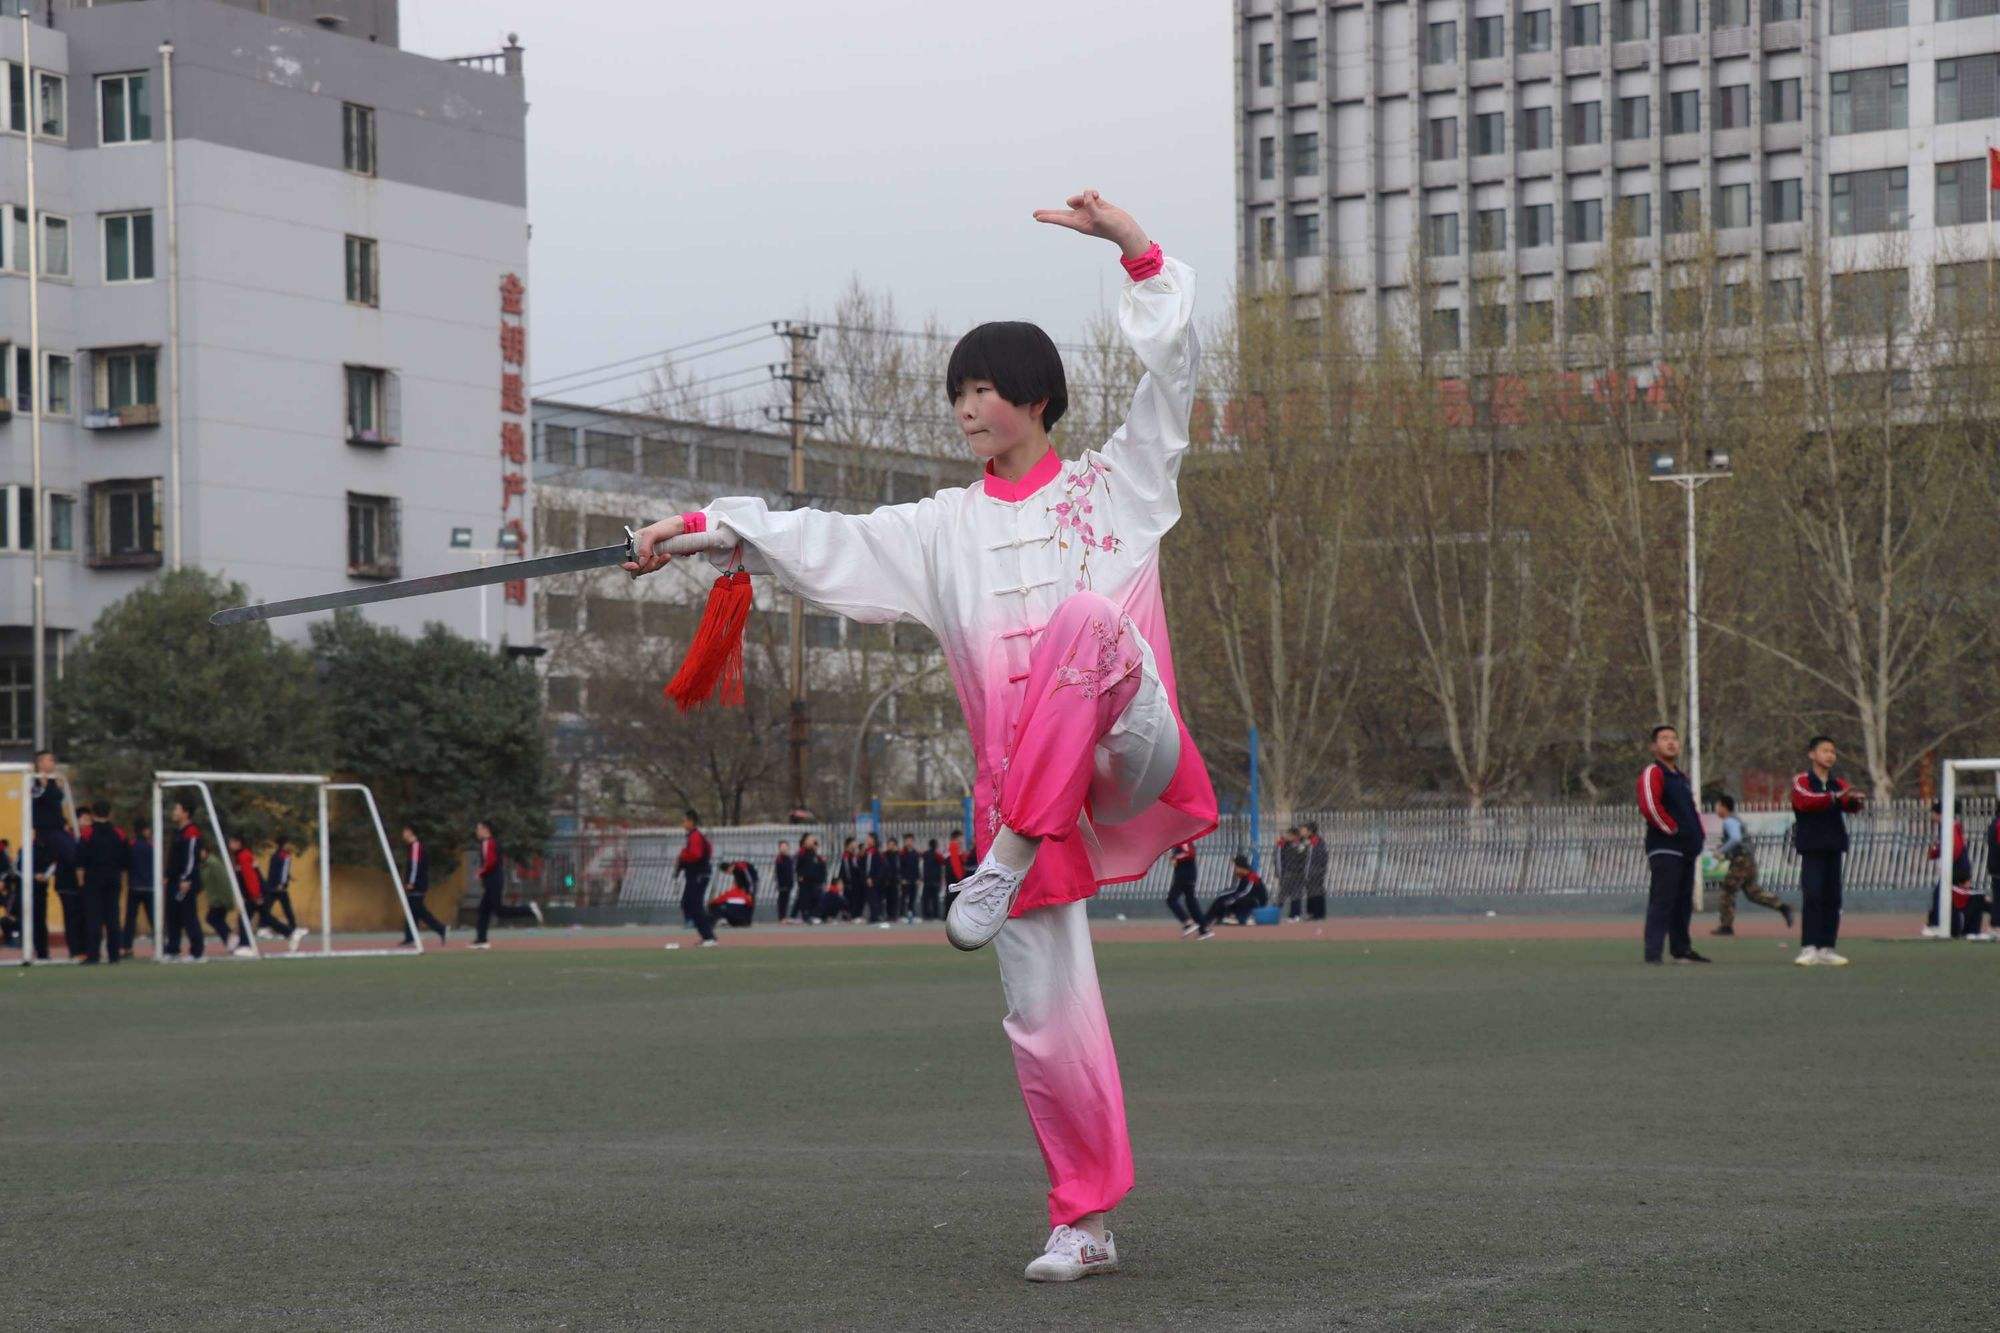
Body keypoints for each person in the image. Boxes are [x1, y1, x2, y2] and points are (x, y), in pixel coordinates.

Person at [626, 193, 1217, 1281]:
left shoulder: (1113, 487)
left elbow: (1170, 382)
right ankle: (1082, 1220)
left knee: (1090, 623)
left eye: (983, 388)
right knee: (1046, 1022)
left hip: (1131, 752)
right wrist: (702, 531)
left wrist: (1136, 252)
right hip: (1025, 823)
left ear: (1035, 397)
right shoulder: (941, 529)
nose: (965, 407)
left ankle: (1005, 853)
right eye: (956, 393)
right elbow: (824, 540)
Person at [1635, 725, 1710, 965]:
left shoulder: (1681, 777)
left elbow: (1690, 811)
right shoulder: (1653, 772)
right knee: (1663, 899)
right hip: (1665, 847)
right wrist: (1673, 830)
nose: (1671, 742)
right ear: (1653, 746)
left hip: (1686, 849)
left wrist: (1697, 837)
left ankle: (1681, 949)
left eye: (1674, 738)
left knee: (1683, 901)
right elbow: (1650, 805)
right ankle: (1653, 953)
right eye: (1664, 738)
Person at [1790, 736, 1866, 967]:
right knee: (1812, 895)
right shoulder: (1802, 780)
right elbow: (1805, 801)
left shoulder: (1839, 783)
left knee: (1833, 898)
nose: (1830, 755)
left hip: (1834, 846)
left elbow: (1850, 807)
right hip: (1812, 847)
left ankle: (1827, 947)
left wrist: (1854, 801)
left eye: (1833, 751)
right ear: (1812, 754)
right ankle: (1809, 947)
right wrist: (1834, 798)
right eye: (1825, 750)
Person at [1709, 795, 1791, 936]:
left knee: (1728, 891)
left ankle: (1726, 926)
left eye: (1717, 806)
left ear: (1723, 806)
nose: (1716, 809)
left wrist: (1720, 851)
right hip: (1748, 860)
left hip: (1741, 861)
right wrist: (1726, 854)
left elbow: (1736, 838)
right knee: (1753, 892)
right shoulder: (1735, 820)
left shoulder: (1729, 821)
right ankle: (1781, 906)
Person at [472, 820, 542, 950]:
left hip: (494, 880)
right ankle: (481, 940)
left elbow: (491, 862)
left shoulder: (489, 843)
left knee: (499, 911)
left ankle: (529, 910)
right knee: (483, 910)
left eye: (478, 828)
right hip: (491, 880)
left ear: (485, 829)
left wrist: (480, 873)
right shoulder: (487, 843)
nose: (477, 831)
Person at [76, 800, 128, 964]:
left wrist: (81, 881)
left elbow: (80, 860)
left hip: (93, 879)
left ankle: (93, 955)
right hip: (113, 878)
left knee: (94, 918)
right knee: (113, 917)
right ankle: (114, 955)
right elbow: (127, 859)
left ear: (93, 814)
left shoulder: (87, 833)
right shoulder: (119, 833)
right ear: (109, 813)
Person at [1925, 803, 1985, 941]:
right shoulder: (1947, 826)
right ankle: (1954, 928)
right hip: (1957, 868)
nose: (1931, 816)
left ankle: (1937, 925)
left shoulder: (1950, 827)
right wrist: (1935, 853)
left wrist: (1947, 862)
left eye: (1932, 813)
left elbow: (1956, 848)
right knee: (1952, 898)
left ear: (1938, 813)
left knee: (1944, 895)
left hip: (1957, 869)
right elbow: (1944, 846)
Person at [162, 800, 205, 961]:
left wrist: (186, 878)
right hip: (174, 881)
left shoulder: (191, 831)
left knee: (189, 916)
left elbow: (192, 858)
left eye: (176, 808)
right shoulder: (178, 832)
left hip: (185, 881)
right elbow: (174, 857)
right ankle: (172, 949)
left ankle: (197, 951)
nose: (174, 811)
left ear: (186, 813)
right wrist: (167, 875)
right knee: (172, 915)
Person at [197, 842, 253, 957]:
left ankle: (232, 939)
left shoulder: (213, 864)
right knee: (215, 919)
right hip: (215, 898)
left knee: (212, 918)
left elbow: (223, 882)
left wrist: (226, 900)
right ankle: (231, 942)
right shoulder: (205, 864)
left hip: (220, 898)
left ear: (205, 851)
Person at [398, 824, 451, 947]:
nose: (403, 834)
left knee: (419, 910)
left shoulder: (416, 846)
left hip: (417, 884)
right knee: (413, 910)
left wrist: (411, 882)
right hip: (417, 883)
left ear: (410, 832)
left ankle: (440, 929)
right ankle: (410, 937)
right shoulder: (412, 847)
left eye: (404, 831)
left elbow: (415, 866)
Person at [672, 809, 718, 947]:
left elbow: (696, 855)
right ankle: (705, 933)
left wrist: (682, 856)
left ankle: (709, 936)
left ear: (691, 822)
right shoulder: (693, 836)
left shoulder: (695, 836)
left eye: (685, 820)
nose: (683, 823)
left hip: (699, 875)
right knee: (688, 903)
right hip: (695, 875)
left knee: (695, 905)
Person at [259, 834, 305, 945]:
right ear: (285, 844)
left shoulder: (275, 855)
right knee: (283, 907)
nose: (291, 845)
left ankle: (264, 927)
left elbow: (275, 870)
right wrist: (282, 883)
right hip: (278, 887)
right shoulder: (285, 856)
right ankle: (291, 927)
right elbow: (283, 871)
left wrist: (288, 877)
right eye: (289, 843)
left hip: (271, 885)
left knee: (269, 906)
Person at [122, 818, 156, 955]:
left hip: (134, 886)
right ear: (144, 830)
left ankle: (127, 946)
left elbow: (126, 863)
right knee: (154, 918)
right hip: (149, 886)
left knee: (130, 918)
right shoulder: (151, 847)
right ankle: (160, 945)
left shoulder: (131, 845)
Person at [225, 834, 263, 952]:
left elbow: (250, 877)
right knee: (248, 919)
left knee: (244, 920)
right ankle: (290, 932)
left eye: (232, 842)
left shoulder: (243, 856)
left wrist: (255, 895)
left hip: (252, 895)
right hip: (250, 894)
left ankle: (245, 945)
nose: (230, 845)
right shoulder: (239, 856)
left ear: (238, 843)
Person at [1165, 840, 1210, 939]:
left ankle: (1187, 922)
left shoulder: (1183, 840)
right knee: (1191, 902)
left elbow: (1190, 853)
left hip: (1185, 875)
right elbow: (1176, 862)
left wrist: (1175, 857)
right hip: (1187, 874)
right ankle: (1204, 929)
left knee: (1171, 899)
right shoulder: (1177, 843)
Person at [1203, 856, 1262, 931]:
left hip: (1254, 901)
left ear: (1241, 867)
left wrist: (1232, 899)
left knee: (1226, 901)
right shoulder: (1244, 876)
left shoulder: (1251, 876)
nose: (1234, 869)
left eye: (1236, 866)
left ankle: (1223, 918)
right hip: (1244, 898)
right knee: (1221, 899)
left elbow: (1245, 892)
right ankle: (1207, 919)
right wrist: (1225, 895)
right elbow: (1238, 890)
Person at [709, 861, 757, 928]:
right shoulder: (735, 871)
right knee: (744, 899)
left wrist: (750, 892)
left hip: (751, 883)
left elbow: (750, 880)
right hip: (745, 884)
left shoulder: (741, 866)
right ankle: (744, 921)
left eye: (727, 872)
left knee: (750, 900)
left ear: (729, 867)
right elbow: (737, 882)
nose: (729, 874)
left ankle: (748, 921)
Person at [1276, 827, 1307, 922]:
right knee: (1282, 895)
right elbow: (1278, 859)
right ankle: (1274, 913)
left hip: (1297, 874)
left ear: (1295, 836)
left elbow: (1303, 859)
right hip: (1287, 874)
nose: (1286, 836)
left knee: (1296, 895)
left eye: (1289, 835)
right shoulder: (1284, 845)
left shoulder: (1301, 846)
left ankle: (1295, 915)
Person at [794, 834, 827, 923]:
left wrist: (822, 880)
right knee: (805, 899)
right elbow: (798, 866)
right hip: (805, 881)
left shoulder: (815, 855)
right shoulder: (802, 853)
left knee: (816, 898)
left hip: (815, 881)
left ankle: (813, 915)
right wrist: (800, 876)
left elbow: (821, 869)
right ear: (805, 842)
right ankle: (805, 916)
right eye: (810, 839)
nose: (812, 841)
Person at [1302, 821, 1329, 920]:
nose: (1302, 832)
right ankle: (1312, 913)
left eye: (1304, 830)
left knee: (1317, 892)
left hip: (1316, 872)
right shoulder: (1306, 842)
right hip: (1308, 872)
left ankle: (1319, 914)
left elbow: (1322, 858)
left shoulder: (1317, 842)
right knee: (1310, 892)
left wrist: (1319, 870)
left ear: (1310, 831)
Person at [942, 828, 968, 916]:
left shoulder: (954, 847)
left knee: (951, 895)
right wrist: (960, 876)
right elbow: (955, 863)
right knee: (952, 895)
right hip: (953, 875)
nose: (962, 840)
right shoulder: (953, 846)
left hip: (951, 874)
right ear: (956, 838)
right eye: (961, 838)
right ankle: (949, 914)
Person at [920, 838, 946, 921]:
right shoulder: (937, 855)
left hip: (927, 879)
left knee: (926, 898)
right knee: (935, 898)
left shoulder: (925, 854)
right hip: (935, 880)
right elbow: (943, 863)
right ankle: (935, 915)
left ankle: (926, 915)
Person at [898, 833, 921, 924]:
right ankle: (901, 915)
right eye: (907, 841)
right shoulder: (902, 853)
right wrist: (901, 878)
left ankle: (911, 914)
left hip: (914, 879)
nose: (909, 842)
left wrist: (918, 878)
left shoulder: (915, 853)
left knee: (912, 897)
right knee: (904, 898)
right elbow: (900, 867)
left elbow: (917, 867)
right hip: (905, 879)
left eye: (911, 840)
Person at [773, 840, 795, 923]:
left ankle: (784, 916)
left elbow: (791, 871)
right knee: (782, 900)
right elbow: (778, 873)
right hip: (782, 883)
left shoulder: (789, 858)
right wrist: (779, 883)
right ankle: (781, 916)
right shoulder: (779, 859)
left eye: (785, 846)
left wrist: (791, 881)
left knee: (786, 900)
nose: (784, 848)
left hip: (789, 882)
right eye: (782, 847)